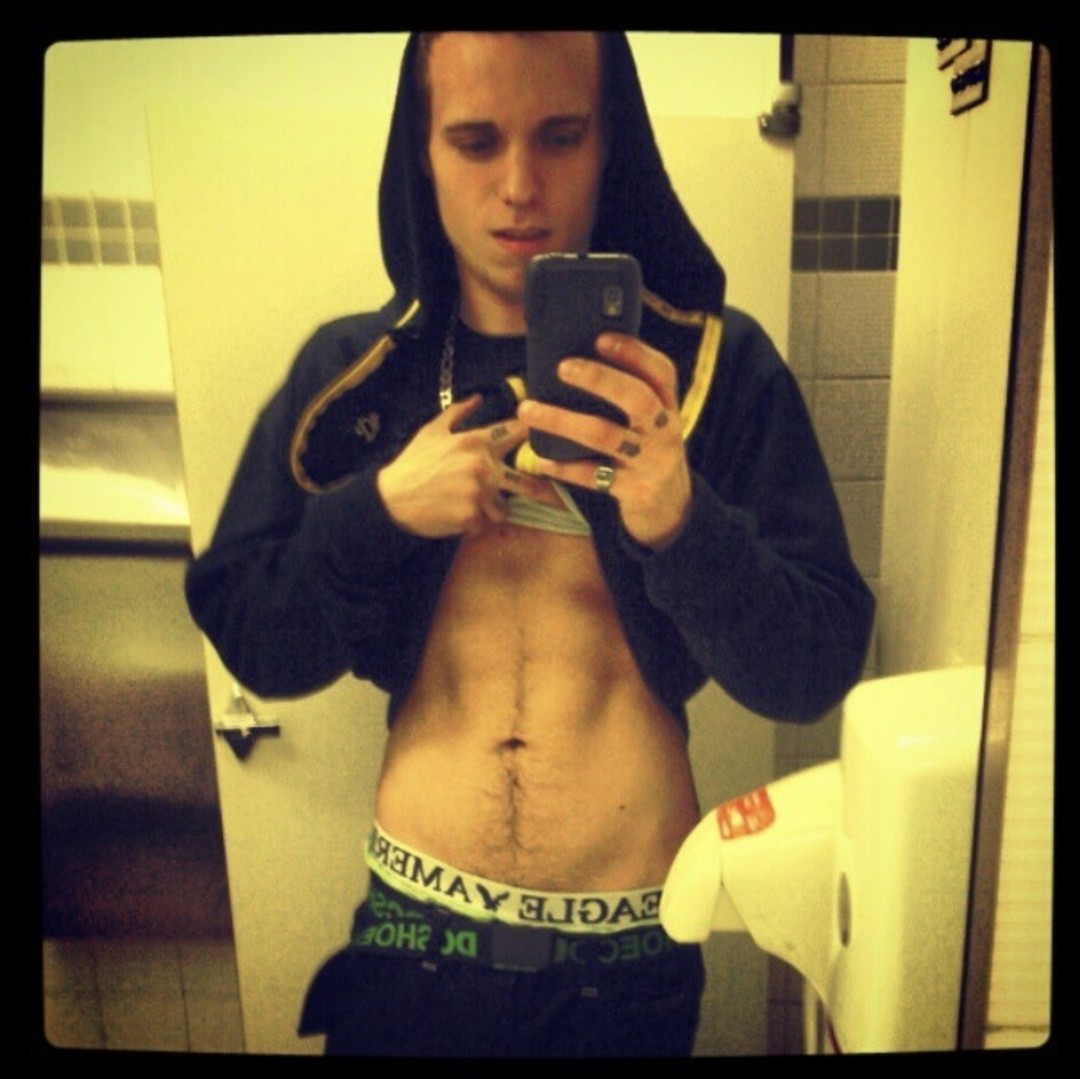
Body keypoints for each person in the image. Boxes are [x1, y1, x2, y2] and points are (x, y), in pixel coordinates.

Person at [185, 31, 875, 1057]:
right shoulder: (359, 377)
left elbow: (813, 668)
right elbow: (258, 639)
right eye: (475, 141)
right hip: (412, 942)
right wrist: (380, 511)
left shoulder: (710, 370)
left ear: (611, 142)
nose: (519, 186)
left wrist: (682, 524)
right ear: (421, 152)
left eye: (560, 136)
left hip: (625, 961)